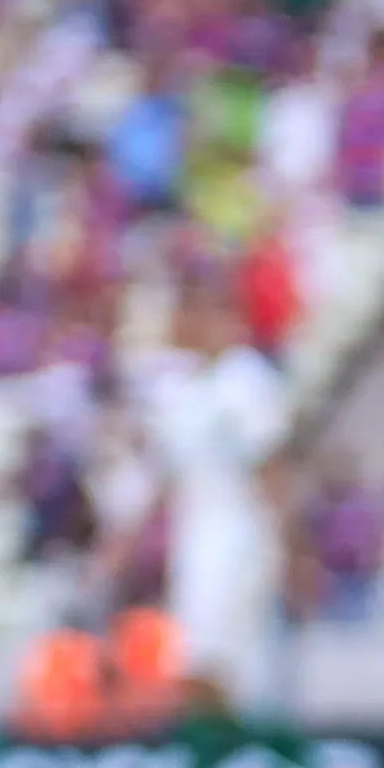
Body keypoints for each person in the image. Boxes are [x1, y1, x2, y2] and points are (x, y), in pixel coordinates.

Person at [138, 282, 293, 720]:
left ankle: (229, 750)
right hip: (195, 530)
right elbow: (168, 476)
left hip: (238, 529)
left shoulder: (245, 380)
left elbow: (271, 466)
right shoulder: (179, 388)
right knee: (193, 658)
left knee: (218, 660)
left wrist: (284, 543)